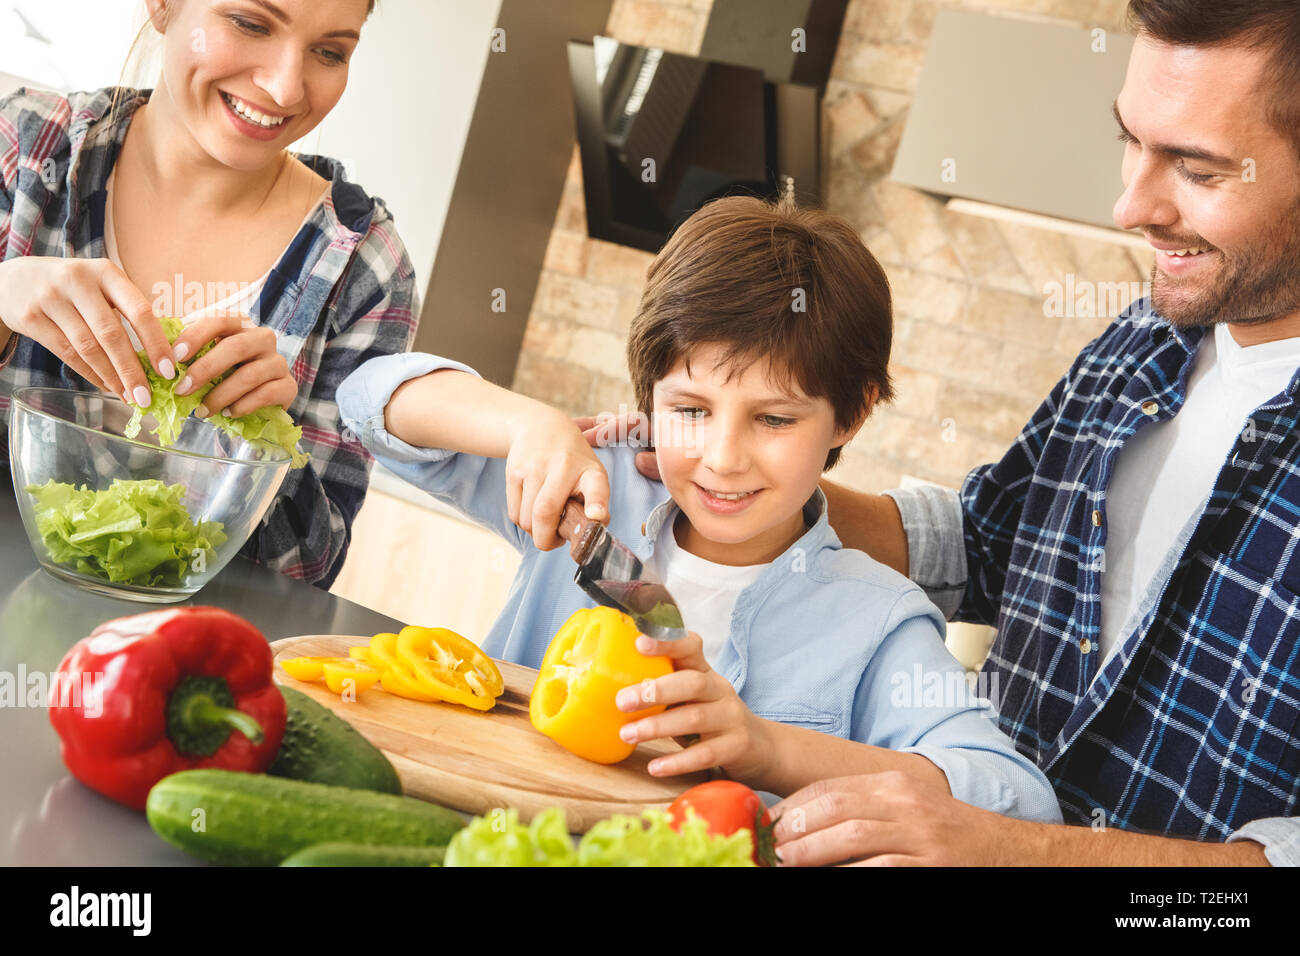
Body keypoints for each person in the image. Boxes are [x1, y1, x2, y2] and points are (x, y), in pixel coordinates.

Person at [751, 0, 1300, 864]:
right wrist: (741, 472)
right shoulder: (1142, 340)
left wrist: (1017, 850)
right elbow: (982, 540)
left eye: (1194, 169)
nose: (1130, 206)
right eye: (1132, 141)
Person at [337, 195, 1062, 821]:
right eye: (689, 410)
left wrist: (772, 749)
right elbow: (366, 397)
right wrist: (529, 426)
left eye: (774, 420)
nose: (722, 457)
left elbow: (1015, 801)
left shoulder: (876, 619)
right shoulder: (597, 494)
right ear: (649, 391)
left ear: (850, 416)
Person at [0, 0, 417, 588]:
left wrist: (260, 443)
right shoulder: (24, 153)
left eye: (329, 52)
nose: (283, 86)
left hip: (189, 662)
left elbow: (305, 568)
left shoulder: (361, 264)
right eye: (250, 23)